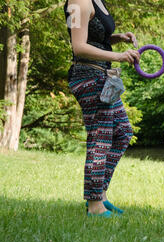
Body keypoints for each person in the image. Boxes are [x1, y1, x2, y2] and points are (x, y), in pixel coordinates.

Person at [64, 0, 140, 217]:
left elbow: (94, 37)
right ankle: (94, 205)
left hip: (104, 76)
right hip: (88, 77)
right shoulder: (78, 2)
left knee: (122, 132)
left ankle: (100, 194)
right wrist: (119, 56)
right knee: (101, 138)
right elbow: (78, 46)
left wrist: (117, 38)